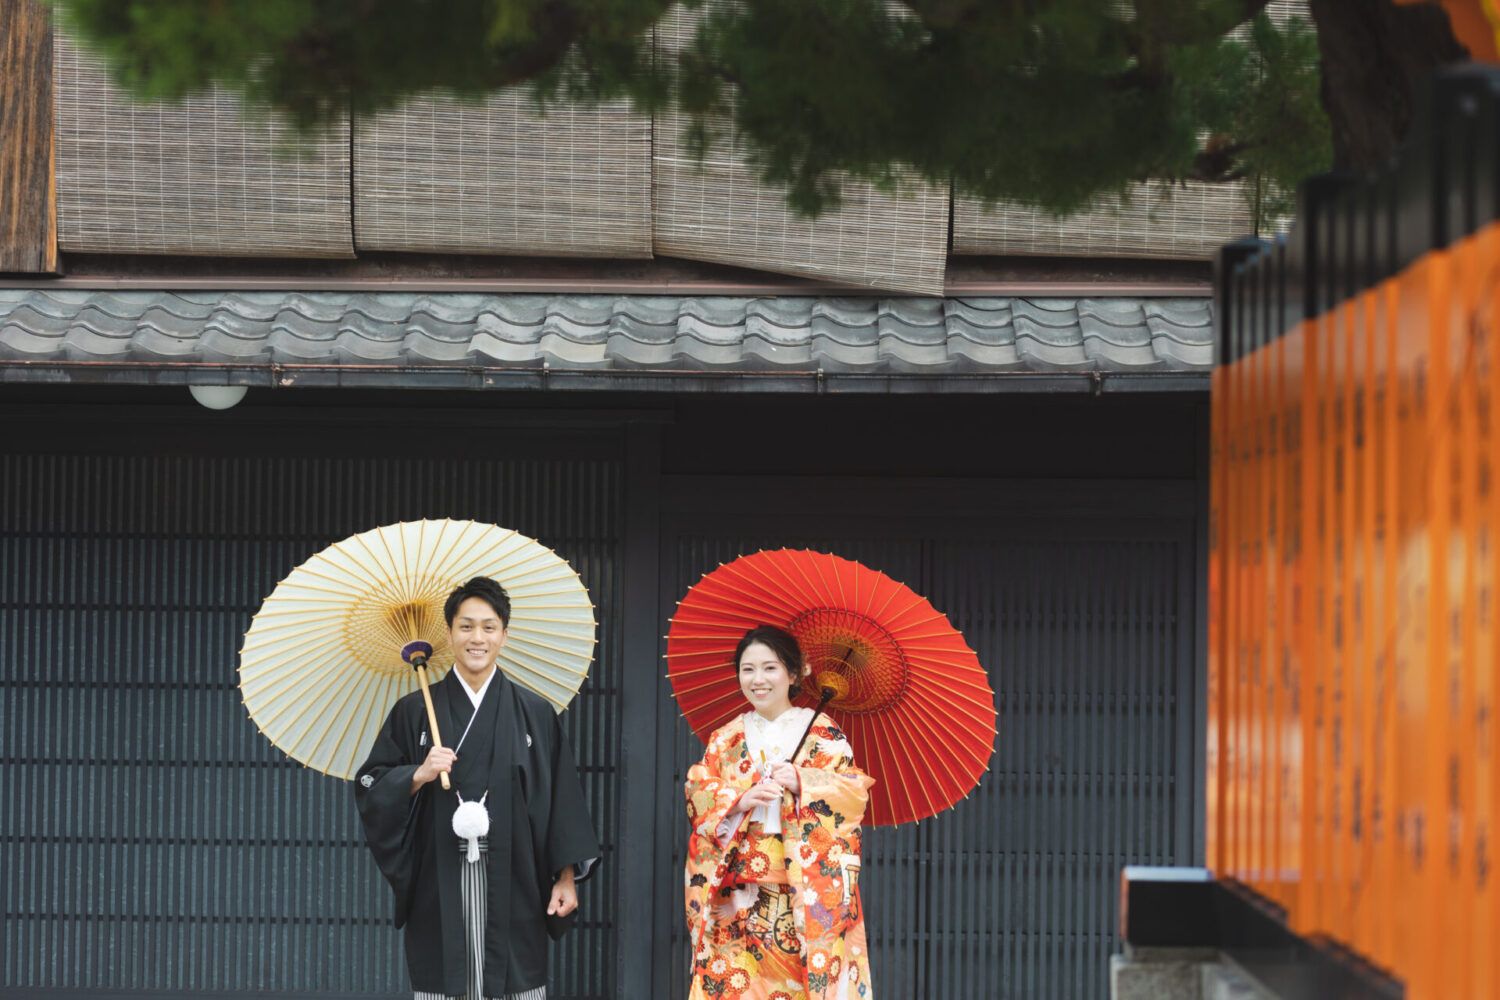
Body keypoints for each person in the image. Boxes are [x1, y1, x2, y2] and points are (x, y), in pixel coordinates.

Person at [355, 576, 599, 1000]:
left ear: (504, 634)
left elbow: (561, 797)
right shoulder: (414, 710)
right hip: (439, 872)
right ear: (449, 633)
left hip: (516, 875)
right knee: (446, 982)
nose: (477, 638)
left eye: (488, 627)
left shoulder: (534, 713)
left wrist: (565, 877)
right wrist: (418, 774)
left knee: (514, 983)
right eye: (466, 626)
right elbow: (371, 783)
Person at [684, 625, 876, 1000]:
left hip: (801, 892)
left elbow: (854, 794)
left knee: (800, 984)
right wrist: (740, 798)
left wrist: (804, 780)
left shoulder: (822, 732)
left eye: (770, 668)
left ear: (793, 673)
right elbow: (698, 789)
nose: (758, 680)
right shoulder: (727, 737)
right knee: (734, 985)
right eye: (748, 669)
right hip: (738, 891)